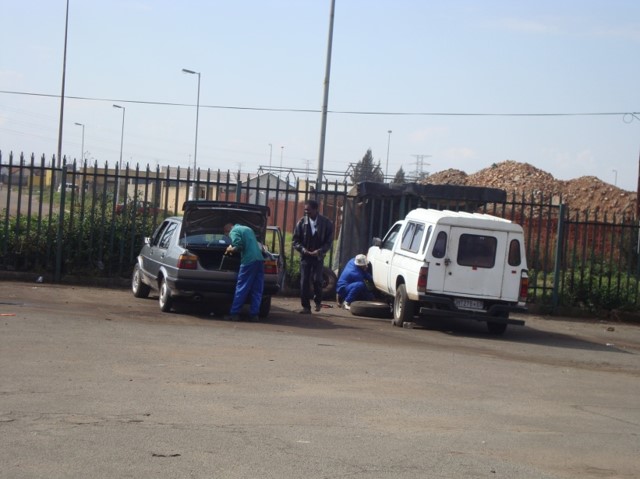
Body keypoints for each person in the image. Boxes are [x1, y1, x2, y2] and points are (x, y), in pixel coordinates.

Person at [292, 199, 334, 314]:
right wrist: (303, 250)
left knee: (317, 280)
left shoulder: (326, 223)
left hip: (318, 257)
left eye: (309, 210)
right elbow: (295, 241)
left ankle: (318, 302)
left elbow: (329, 242)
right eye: (305, 210)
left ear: (316, 209)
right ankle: (306, 307)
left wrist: (320, 251)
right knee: (304, 282)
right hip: (305, 257)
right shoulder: (301, 222)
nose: (306, 212)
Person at [223, 223, 264, 321]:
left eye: (227, 236)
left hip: (248, 261)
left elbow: (239, 245)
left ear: (227, 231)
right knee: (257, 289)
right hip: (259, 260)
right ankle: (254, 315)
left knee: (242, 287)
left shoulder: (234, 231)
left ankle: (234, 313)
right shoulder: (247, 228)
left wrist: (230, 249)